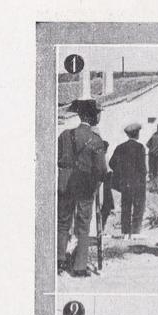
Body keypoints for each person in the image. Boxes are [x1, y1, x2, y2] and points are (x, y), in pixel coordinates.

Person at [57, 98, 107, 277]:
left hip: (65, 183)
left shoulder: (64, 135)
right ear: (92, 117)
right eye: (98, 114)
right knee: (83, 225)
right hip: (85, 185)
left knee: (63, 222)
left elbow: (58, 158)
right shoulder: (96, 140)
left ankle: (60, 260)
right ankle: (79, 267)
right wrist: (97, 181)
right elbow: (101, 169)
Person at [108, 123, 146, 239]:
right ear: (137, 134)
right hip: (138, 183)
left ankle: (125, 232)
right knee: (138, 207)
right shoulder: (140, 147)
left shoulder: (120, 147)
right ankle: (135, 232)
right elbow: (142, 167)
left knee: (126, 207)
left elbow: (111, 163)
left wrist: (121, 172)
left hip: (125, 182)